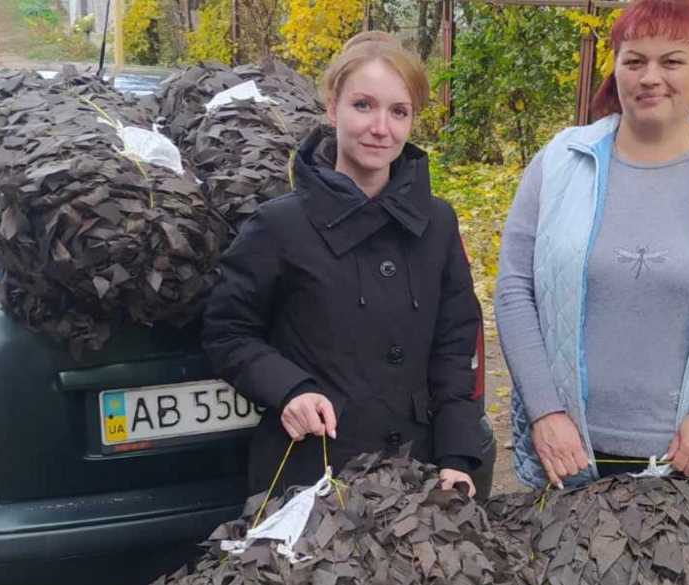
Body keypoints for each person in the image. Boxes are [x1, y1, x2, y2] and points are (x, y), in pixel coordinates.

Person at [495, 0, 689, 490]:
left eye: (672, 61)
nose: (649, 77)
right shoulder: (560, 163)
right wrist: (545, 411)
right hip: (568, 453)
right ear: (616, 70)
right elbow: (515, 289)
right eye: (634, 61)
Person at [203, 31, 483, 497]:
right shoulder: (279, 225)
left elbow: (455, 349)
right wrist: (289, 390)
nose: (381, 128)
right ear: (333, 108)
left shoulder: (437, 222)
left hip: (417, 474)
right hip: (311, 472)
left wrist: (457, 458)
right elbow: (227, 332)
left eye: (399, 111)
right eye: (363, 106)